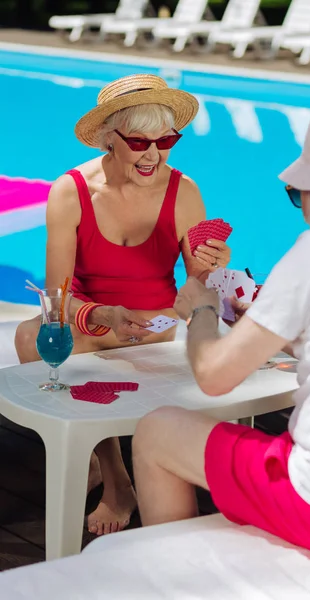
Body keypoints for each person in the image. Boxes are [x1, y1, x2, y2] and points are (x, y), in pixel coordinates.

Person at [131, 109, 310, 560]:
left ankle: (176, 581)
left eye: (298, 196)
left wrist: (202, 311)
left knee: (157, 430)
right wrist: (259, 324)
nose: (304, 211)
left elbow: (214, 377)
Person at [14, 74, 231, 536]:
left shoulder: (184, 191)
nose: (154, 154)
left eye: (166, 140)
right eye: (139, 142)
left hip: (157, 328)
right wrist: (102, 317)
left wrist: (213, 266)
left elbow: (197, 288)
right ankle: (117, 478)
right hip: (94, 325)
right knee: (33, 336)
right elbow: (59, 297)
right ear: (110, 139)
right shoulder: (70, 192)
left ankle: (96, 461)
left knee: (78, 366)